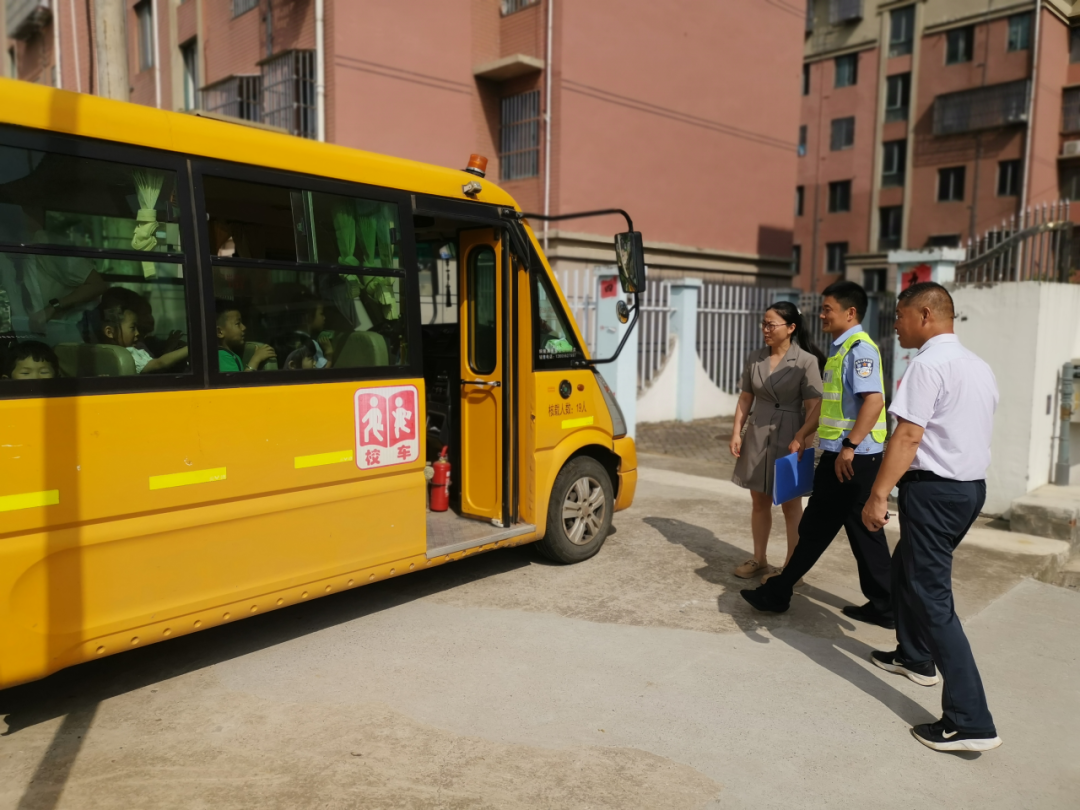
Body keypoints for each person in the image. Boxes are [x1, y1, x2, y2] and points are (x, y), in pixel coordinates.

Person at [860, 282, 1002, 752]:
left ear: (925, 315)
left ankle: (970, 720)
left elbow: (907, 437)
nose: (895, 324)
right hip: (969, 490)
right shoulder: (977, 365)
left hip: (935, 493)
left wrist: (878, 494)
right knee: (908, 568)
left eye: (900, 316)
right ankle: (915, 657)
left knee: (932, 597)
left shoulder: (928, 365)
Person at [741, 281, 893, 628]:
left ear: (850, 312)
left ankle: (778, 592)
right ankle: (886, 604)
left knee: (820, 528)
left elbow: (874, 401)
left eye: (828, 309)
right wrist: (803, 433)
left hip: (850, 459)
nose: (821, 314)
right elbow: (830, 403)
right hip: (846, 457)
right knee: (856, 532)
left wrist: (850, 447)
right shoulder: (841, 350)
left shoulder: (860, 350)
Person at [729, 301, 824, 582]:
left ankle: (792, 569)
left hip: (792, 435)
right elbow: (746, 397)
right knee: (759, 501)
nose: (765, 330)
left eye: (771, 324)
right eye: (764, 324)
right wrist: (737, 432)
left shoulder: (806, 361)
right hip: (758, 431)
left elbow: (814, 407)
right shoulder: (756, 357)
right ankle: (759, 559)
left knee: (791, 505)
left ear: (791, 328)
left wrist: (803, 438)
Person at [98, 290, 188, 374]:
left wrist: (169, 348)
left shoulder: (136, 347)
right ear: (109, 332)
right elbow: (159, 364)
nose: (137, 333)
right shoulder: (127, 356)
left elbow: (155, 363)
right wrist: (190, 348)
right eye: (132, 328)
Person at [216, 299, 275, 372]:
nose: (244, 327)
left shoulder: (226, 354)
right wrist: (256, 359)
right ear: (220, 332)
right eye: (237, 323)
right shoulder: (223, 356)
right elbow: (238, 382)